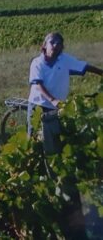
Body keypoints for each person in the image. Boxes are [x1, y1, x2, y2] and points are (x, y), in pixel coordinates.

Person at [27, 32, 102, 239]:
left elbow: (85, 67)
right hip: (40, 108)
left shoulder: (64, 60)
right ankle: (35, 168)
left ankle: (56, 171)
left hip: (57, 110)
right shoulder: (37, 63)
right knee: (36, 143)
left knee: (56, 146)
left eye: (60, 42)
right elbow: (38, 86)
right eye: (53, 41)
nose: (57, 44)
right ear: (44, 46)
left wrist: (102, 73)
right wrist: (53, 101)